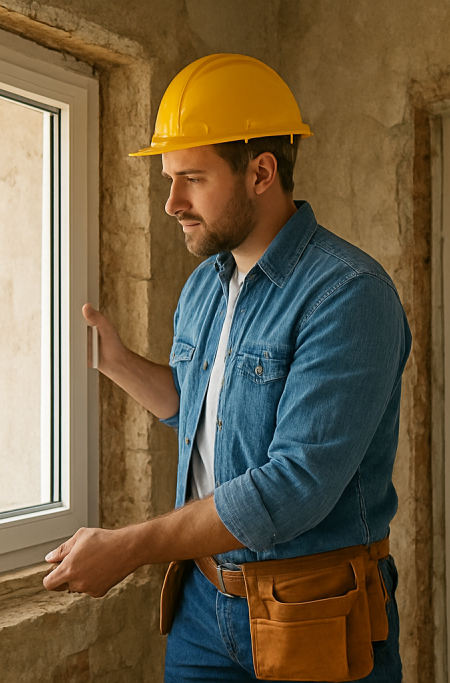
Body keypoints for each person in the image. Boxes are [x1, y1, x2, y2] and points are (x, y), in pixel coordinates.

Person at [43, 53, 410, 682]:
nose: (171, 203)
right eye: (169, 179)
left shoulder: (349, 295)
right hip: (201, 606)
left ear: (261, 171)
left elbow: (294, 486)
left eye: (192, 178)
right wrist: (116, 362)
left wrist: (131, 547)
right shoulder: (205, 286)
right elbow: (203, 412)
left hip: (314, 612)